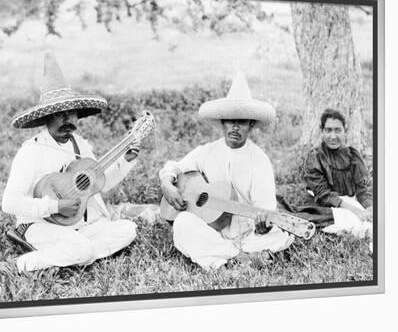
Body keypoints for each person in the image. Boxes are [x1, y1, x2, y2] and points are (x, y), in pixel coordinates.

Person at [2, 51, 140, 272]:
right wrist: (56, 205)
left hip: (77, 225)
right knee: (84, 249)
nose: (68, 121)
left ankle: (69, 254)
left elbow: (96, 184)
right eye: (59, 114)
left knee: (128, 229)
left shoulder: (80, 145)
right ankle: (21, 264)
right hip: (40, 224)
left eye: (72, 113)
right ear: (46, 118)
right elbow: (9, 203)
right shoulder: (31, 151)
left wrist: (126, 161)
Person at [159, 74, 294, 270]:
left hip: (249, 234)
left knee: (277, 237)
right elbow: (174, 167)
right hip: (214, 228)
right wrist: (166, 184)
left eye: (242, 121)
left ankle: (220, 256)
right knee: (182, 223)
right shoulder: (207, 151)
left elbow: (266, 209)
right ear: (222, 123)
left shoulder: (259, 160)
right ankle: (240, 257)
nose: (235, 127)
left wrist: (263, 227)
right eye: (230, 121)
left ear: (252, 125)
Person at [299, 108, 372, 237]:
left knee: (374, 219)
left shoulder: (353, 156)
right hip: (325, 204)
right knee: (348, 219)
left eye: (338, 130)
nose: (333, 136)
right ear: (321, 131)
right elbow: (324, 195)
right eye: (328, 130)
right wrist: (356, 211)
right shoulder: (315, 157)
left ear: (345, 131)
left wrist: (369, 208)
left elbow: (362, 191)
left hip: (348, 201)